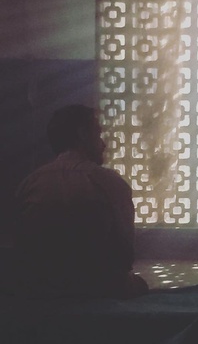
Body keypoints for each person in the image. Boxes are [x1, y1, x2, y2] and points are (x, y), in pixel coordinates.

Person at [12, 104, 149, 299]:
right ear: (83, 135)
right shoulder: (109, 183)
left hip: (40, 289)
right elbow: (124, 257)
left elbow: (21, 249)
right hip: (97, 287)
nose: (103, 144)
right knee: (139, 285)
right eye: (98, 135)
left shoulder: (30, 184)